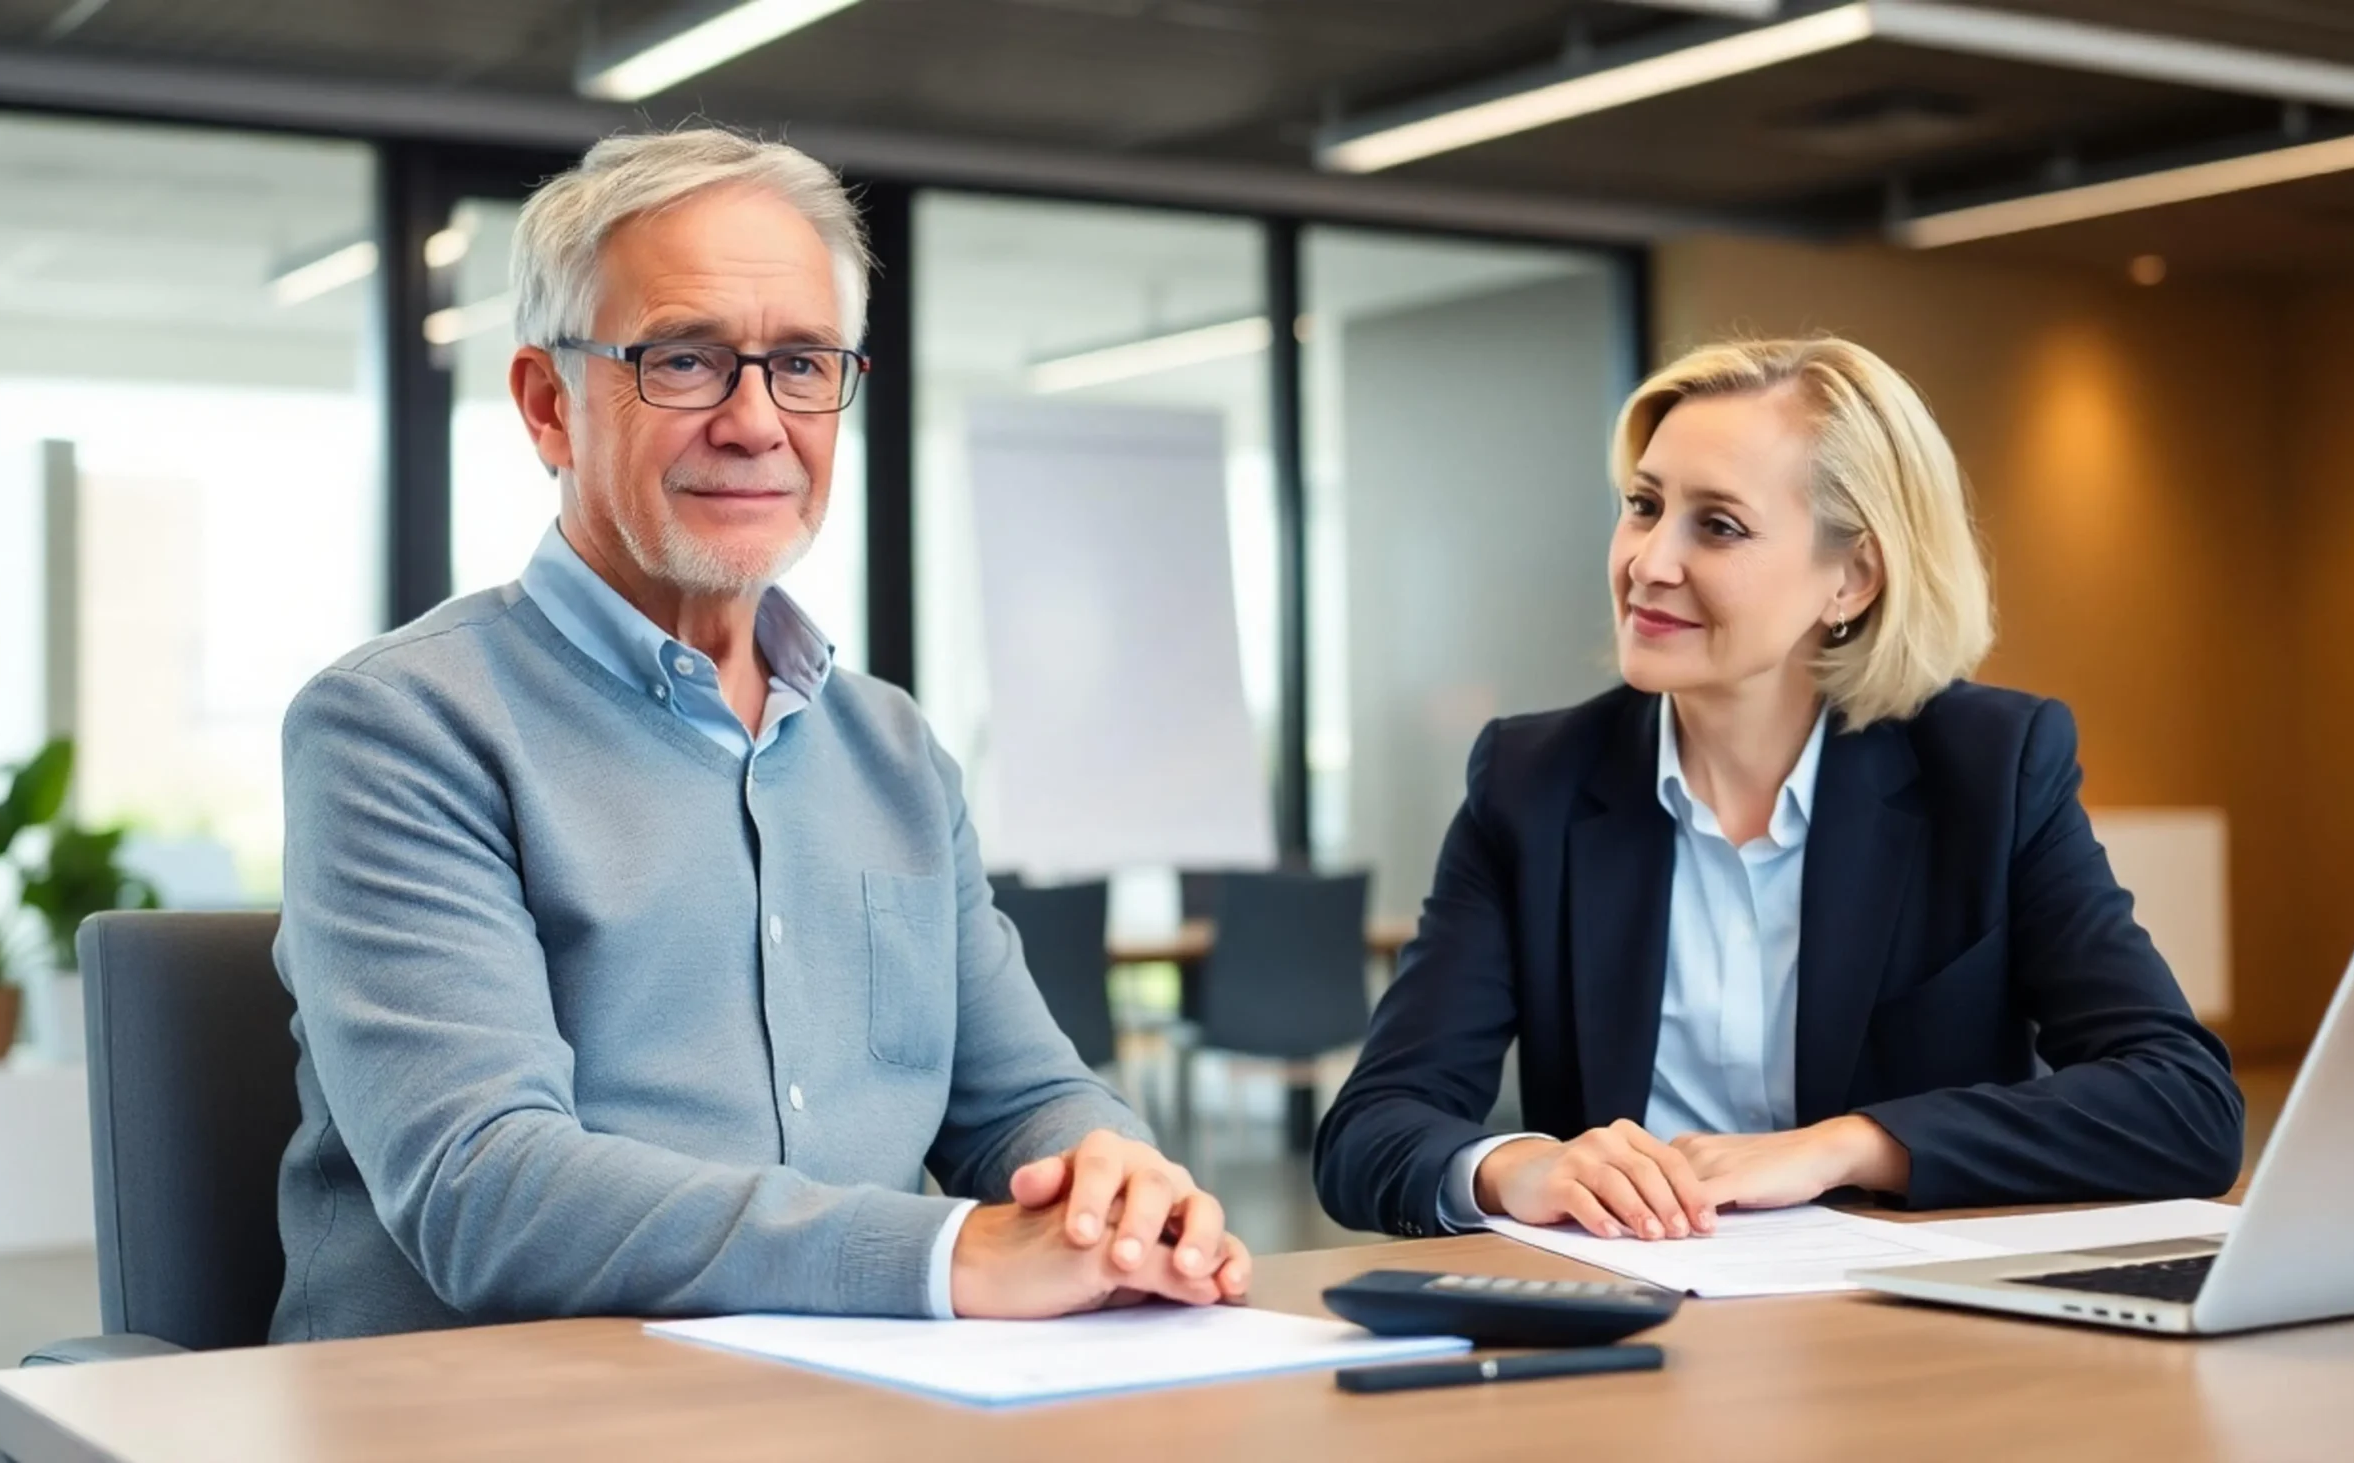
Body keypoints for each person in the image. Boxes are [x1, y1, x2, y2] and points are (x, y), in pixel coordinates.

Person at [271, 128, 1248, 1342]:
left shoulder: (893, 750)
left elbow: (1023, 1097)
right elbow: (484, 1186)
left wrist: (1110, 1181)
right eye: (684, 360)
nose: (754, 420)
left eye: (800, 363)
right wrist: (948, 1251)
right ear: (547, 405)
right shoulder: (399, 725)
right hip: (491, 1409)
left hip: (850, 1399)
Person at [1313, 336, 2243, 1245]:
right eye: (1643, 505)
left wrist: (1845, 1147)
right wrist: (1520, 1168)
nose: (1649, 561)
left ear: (1853, 577)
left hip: (1910, 1337)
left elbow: (2184, 1104)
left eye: (1716, 524)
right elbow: (1373, 1126)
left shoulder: (1991, 766)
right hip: (1640, 1329)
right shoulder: (1532, 781)